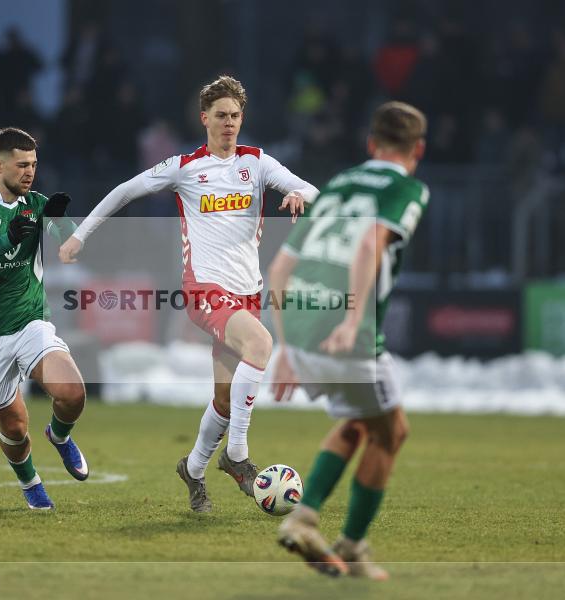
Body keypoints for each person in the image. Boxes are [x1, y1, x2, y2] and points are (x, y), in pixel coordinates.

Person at [58, 75, 319, 512]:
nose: (230, 123)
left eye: (236, 116)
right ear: (205, 118)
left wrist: (296, 193)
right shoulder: (185, 167)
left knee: (223, 398)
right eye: (221, 115)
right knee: (261, 343)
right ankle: (237, 456)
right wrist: (80, 236)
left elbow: (310, 187)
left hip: (247, 294)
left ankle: (194, 470)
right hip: (204, 290)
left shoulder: (256, 162)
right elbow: (125, 191)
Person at [267, 101, 429, 577]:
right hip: (348, 334)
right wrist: (352, 321)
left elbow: (280, 267)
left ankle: (307, 519)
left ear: (370, 143)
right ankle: (348, 543)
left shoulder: (337, 183)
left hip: (300, 324)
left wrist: (285, 347)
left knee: (360, 423)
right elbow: (368, 244)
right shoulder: (407, 187)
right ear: (417, 149)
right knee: (392, 431)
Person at [0, 127, 88, 510]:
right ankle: (30, 481)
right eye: (21, 165)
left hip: (30, 319)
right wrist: (7, 240)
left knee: (72, 392)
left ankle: (60, 436)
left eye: (34, 164)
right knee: (14, 427)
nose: (30, 172)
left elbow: (72, 248)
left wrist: (63, 222)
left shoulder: (37, 203)